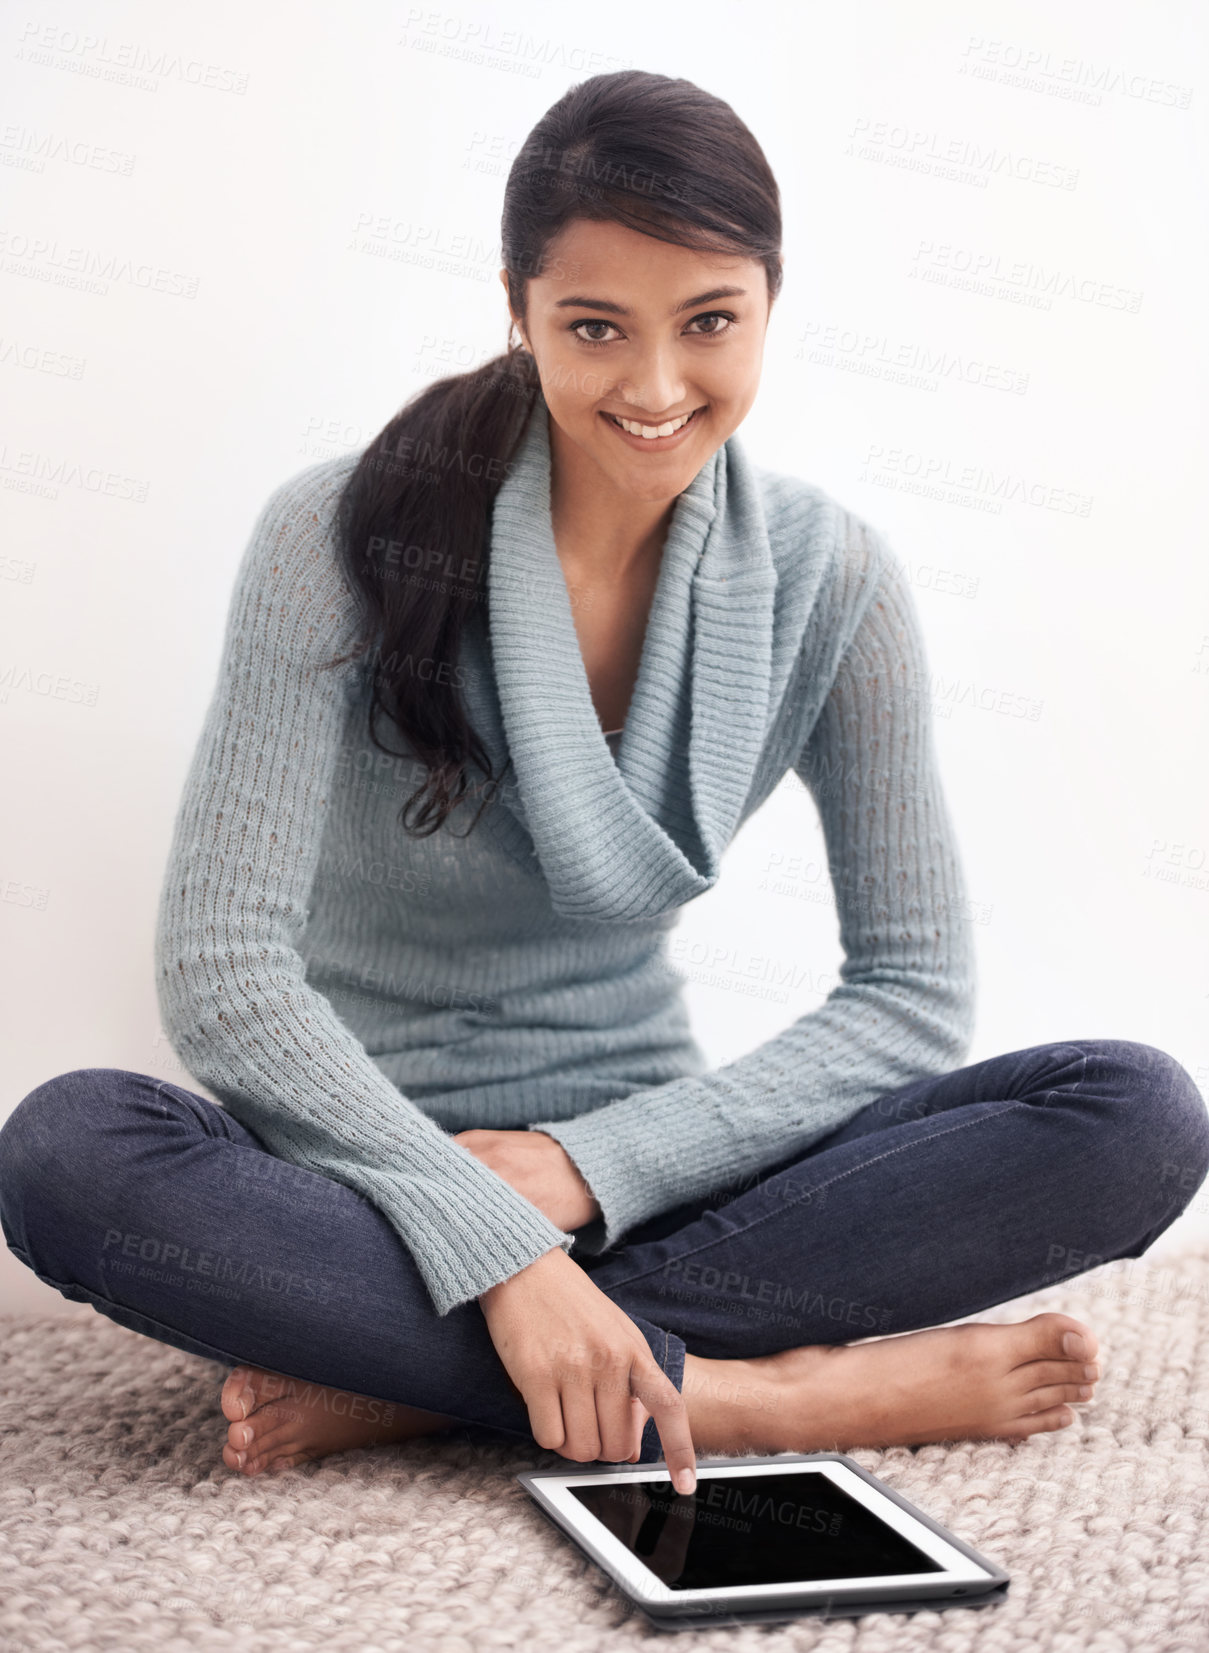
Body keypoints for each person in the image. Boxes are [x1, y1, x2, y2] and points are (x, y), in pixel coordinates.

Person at [3, 71, 1207, 1495]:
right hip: (360, 1186)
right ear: (516, 308)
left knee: (1131, 1111)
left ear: (768, 301)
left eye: (707, 322)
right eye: (593, 327)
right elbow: (223, 968)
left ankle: (420, 1381)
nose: (652, 388)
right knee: (68, 1149)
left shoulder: (834, 581)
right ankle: (743, 1398)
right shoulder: (331, 532)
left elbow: (910, 990)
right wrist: (492, 1238)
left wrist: (583, 1171)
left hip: (656, 1180)